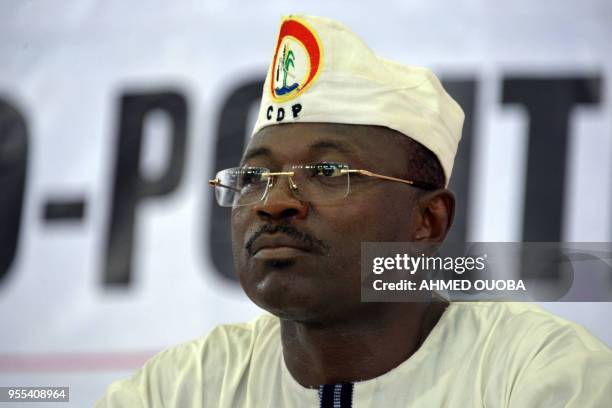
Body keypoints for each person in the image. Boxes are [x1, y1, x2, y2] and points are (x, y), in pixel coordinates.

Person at [97, 14, 612, 407]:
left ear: (427, 221)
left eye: (327, 174)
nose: (273, 203)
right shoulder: (180, 389)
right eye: (254, 178)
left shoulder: (541, 376)